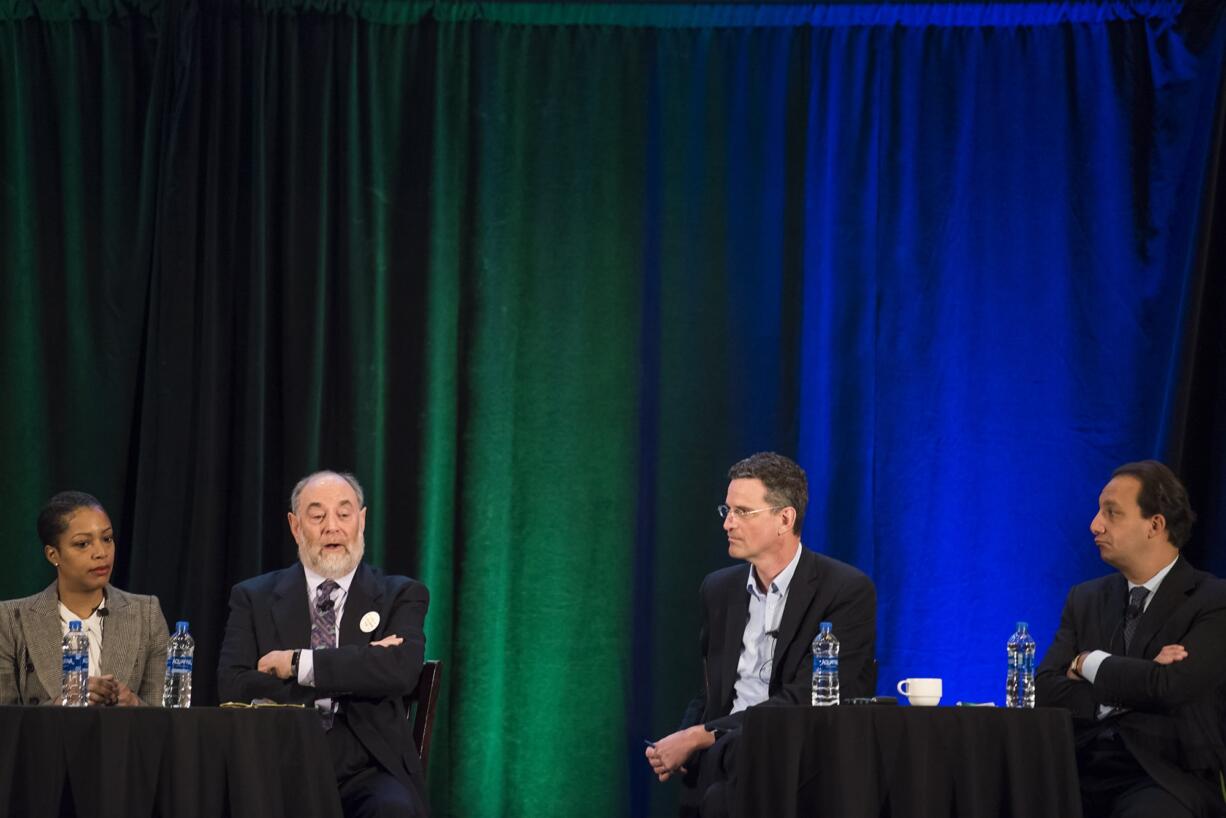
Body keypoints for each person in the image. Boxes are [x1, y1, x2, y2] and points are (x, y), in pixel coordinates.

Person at [646, 452, 877, 818]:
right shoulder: (718, 589)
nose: (728, 524)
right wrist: (681, 737)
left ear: (785, 518)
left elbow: (806, 699)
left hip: (797, 755)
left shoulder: (845, 590)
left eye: (742, 512)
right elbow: (712, 691)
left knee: (737, 770)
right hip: (723, 756)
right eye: (726, 511)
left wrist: (699, 736)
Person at [217, 470, 430, 818]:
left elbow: (400, 671)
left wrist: (297, 664)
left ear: (361, 521)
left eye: (344, 514)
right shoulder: (252, 597)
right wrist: (358, 666)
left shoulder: (401, 595)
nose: (332, 527)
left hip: (368, 766)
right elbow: (233, 685)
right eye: (317, 516)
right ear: (295, 526)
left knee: (395, 810)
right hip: (277, 761)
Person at [1036, 460, 1226, 818]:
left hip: (1163, 777)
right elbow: (1044, 689)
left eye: (1112, 513)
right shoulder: (1085, 598)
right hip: (1078, 768)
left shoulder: (1213, 600)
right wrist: (1138, 682)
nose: (1095, 525)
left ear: (1155, 525)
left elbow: (1170, 688)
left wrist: (1086, 662)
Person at [0, 491, 169, 706]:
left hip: (121, 739)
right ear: (53, 555)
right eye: (82, 544)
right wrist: (60, 705)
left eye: (107, 539)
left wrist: (134, 705)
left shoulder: (147, 613)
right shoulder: (10, 619)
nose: (101, 552)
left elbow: (165, 721)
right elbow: (5, 722)